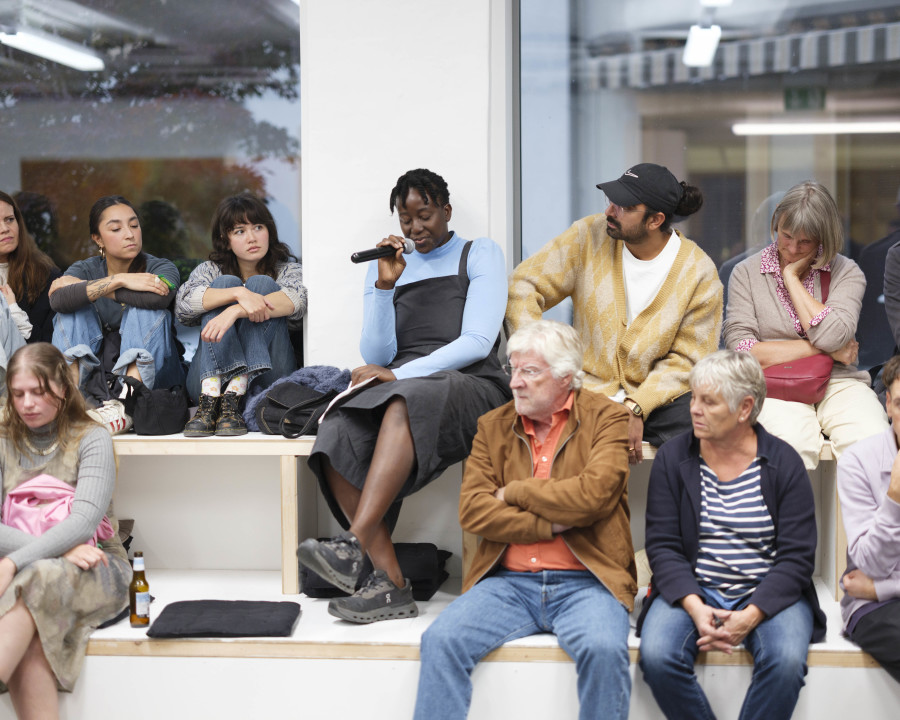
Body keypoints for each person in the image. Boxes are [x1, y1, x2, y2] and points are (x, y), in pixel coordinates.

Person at [299, 168, 510, 623]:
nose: (415, 228)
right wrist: (383, 285)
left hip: (471, 382)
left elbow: (476, 342)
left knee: (402, 399)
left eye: (425, 215)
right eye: (406, 218)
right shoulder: (392, 267)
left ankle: (352, 545)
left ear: (447, 212)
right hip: (408, 382)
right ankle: (392, 582)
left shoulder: (480, 253)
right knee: (338, 425)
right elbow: (376, 352)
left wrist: (399, 377)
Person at [413, 319, 634, 720]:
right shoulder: (493, 425)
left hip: (588, 583)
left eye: (530, 372)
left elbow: (594, 497)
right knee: (441, 640)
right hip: (507, 584)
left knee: (604, 650)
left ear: (566, 377)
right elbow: (474, 510)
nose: (515, 383)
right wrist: (548, 525)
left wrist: (515, 492)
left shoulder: (608, 419)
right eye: (512, 370)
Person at [637, 349, 826, 720]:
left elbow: (797, 558)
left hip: (768, 592)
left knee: (786, 663)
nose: (694, 409)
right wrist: (694, 604)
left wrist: (752, 614)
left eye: (709, 401)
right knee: (658, 657)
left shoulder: (783, 462)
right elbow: (663, 547)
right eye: (693, 397)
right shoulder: (673, 458)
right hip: (694, 587)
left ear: (745, 409)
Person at [506, 163, 722, 464]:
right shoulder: (588, 235)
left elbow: (688, 360)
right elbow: (525, 283)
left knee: (707, 420)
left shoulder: (700, 273)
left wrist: (637, 406)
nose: (610, 211)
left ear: (655, 220)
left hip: (656, 404)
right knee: (514, 401)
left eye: (624, 207)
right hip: (583, 388)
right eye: (610, 202)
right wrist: (540, 355)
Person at [0, 342, 130, 717]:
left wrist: (13, 561)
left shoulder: (92, 437)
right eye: (18, 393)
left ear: (63, 385)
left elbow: (84, 523)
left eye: (38, 392)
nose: (27, 404)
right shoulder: (3, 439)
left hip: (99, 566)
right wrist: (57, 547)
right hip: (46, 565)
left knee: (37, 573)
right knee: (35, 629)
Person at [724, 181, 887, 470]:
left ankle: (862, 517)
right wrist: (828, 350)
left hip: (840, 381)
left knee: (872, 443)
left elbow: (835, 334)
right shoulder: (745, 273)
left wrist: (790, 278)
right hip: (773, 382)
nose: (791, 248)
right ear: (776, 218)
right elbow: (741, 351)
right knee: (788, 448)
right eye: (786, 235)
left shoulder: (846, 272)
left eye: (805, 242)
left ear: (824, 237)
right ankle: (795, 517)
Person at [175, 193, 307, 436]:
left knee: (262, 285)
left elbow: (297, 299)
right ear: (225, 240)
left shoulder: (288, 270)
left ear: (270, 231)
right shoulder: (210, 271)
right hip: (208, 387)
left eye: (258, 227)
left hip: (269, 380)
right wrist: (236, 293)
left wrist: (236, 310)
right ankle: (214, 398)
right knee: (223, 284)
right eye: (240, 231)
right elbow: (183, 305)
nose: (252, 237)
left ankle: (235, 395)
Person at [49, 195, 185, 397]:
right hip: (97, 376)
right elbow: (58, 299)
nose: (129, 234)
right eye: (116, 229)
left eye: (134, 226)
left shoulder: (160, 267)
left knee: (145, 310)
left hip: (158, 378)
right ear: (98, 239)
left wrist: (96, 289)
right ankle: (70, 400)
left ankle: (128, 401)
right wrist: (119, 280)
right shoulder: (86, 269)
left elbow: (158, 298)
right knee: (70, 312)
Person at [836, 353, 900, 684]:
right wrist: (894, 499)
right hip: (875, 611)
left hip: (878, 593)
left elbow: (875, 579)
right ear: (888, 404)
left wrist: (881, 587)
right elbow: (871, 565)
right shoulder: (858, 462)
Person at [0, 191, 62, 345]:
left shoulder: (45, 276)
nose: (4, 228)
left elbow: (50, 348)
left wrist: (16, 314)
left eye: (9, 220)